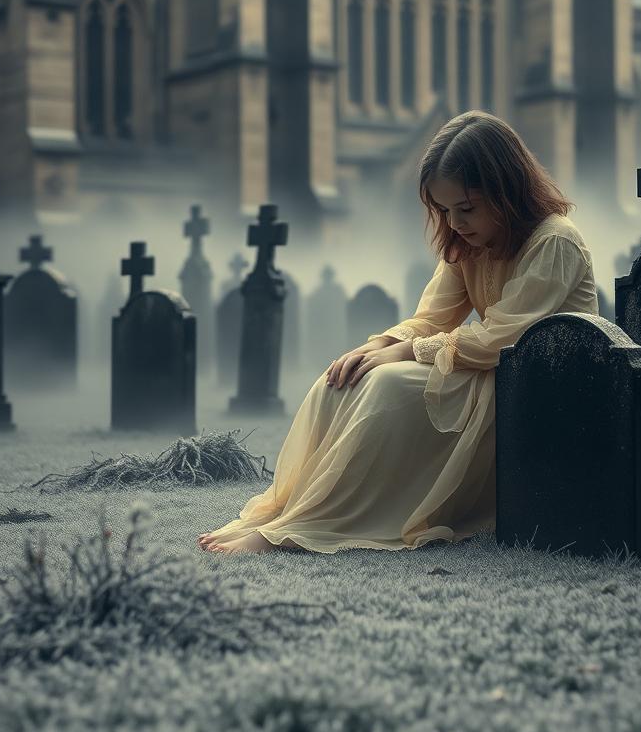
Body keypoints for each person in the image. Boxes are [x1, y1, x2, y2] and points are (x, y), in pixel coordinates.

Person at [199, 110, 599, 555]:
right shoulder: (468, 244)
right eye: (444, 211)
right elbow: (431, 317)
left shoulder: (554, 242)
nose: (455, 223)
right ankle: (290, 515)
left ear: (506, 191)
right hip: (492, 371)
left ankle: (303, 530)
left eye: (465, 208)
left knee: (389, 387)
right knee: (344, 380)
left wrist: (408, 353)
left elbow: (502, 339)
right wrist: (379, 346)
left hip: (539, 389)